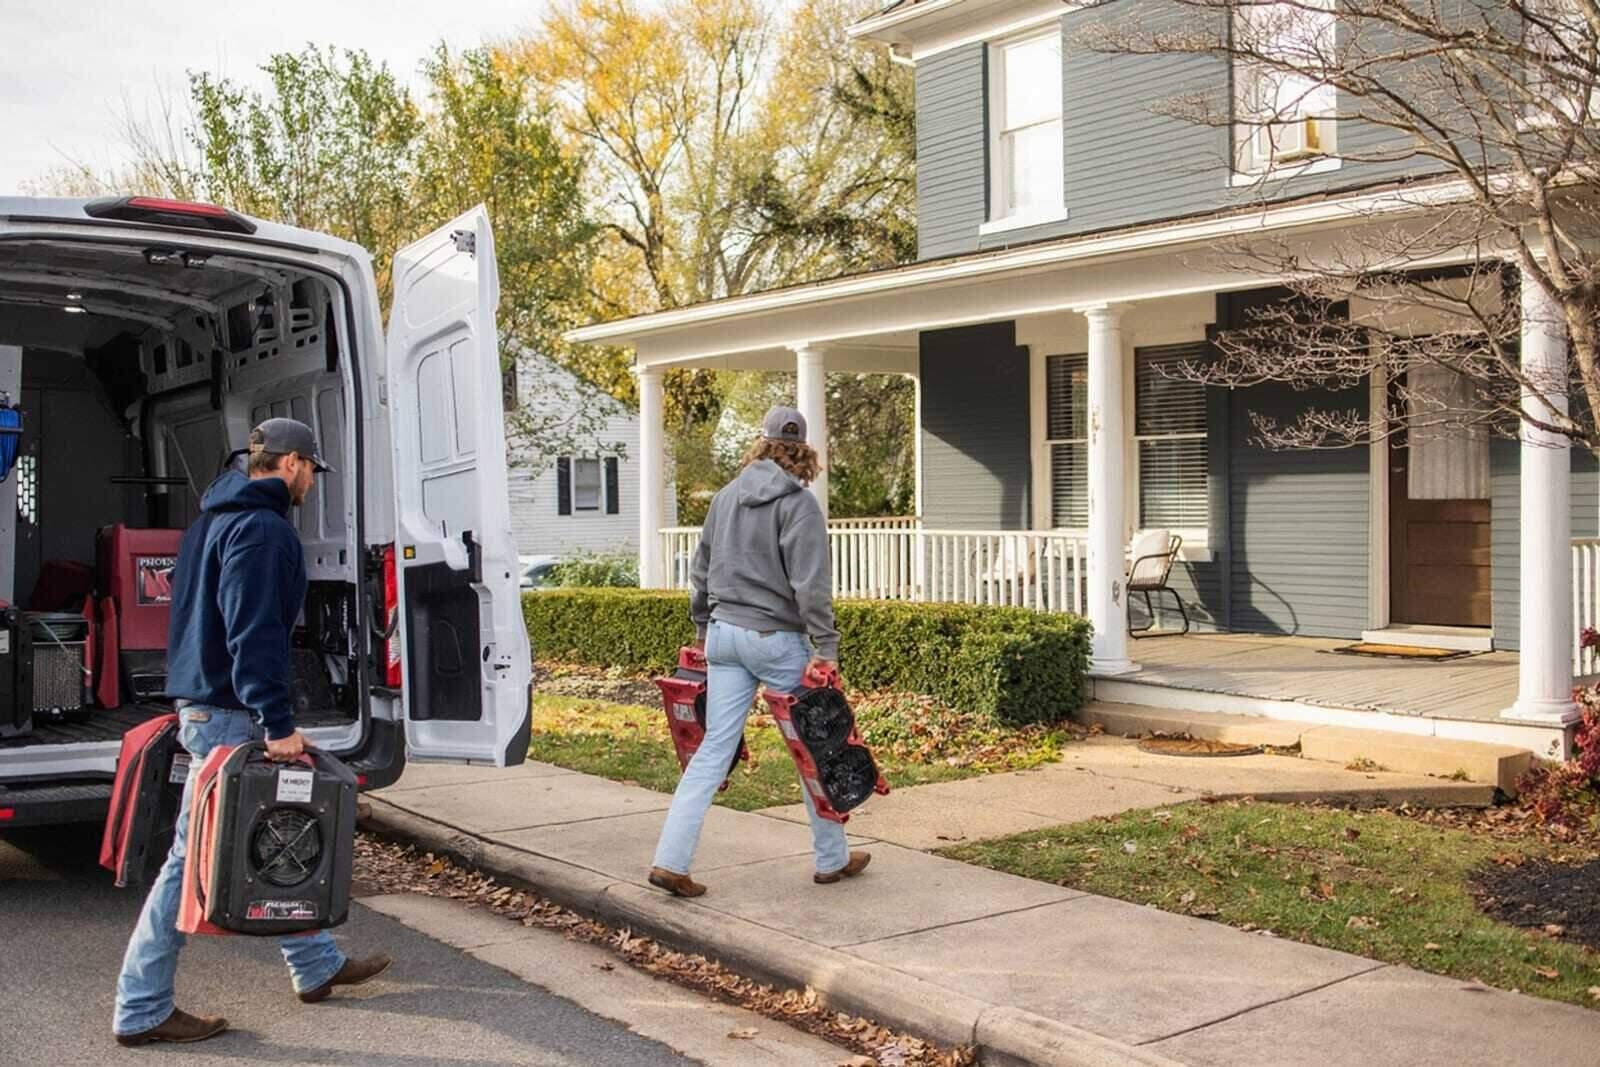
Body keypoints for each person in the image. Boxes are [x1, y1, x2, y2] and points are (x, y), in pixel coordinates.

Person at [113, 418, 390, 1047]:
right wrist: (277, 722)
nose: (312, 482)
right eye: (312, 469)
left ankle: (315, 965)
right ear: (291, 464)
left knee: (271, 832)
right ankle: (141, 1008)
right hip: (230, 712)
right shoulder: (263, 530)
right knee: (190, 861)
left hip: (208, 704)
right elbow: (254, 631)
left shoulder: (212, 520)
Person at [648, 406, 871, 898]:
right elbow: (811, 585)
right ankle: (831, 860)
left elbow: (700, 572)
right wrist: (826, 646)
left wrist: (703, 630)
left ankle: (670, 860)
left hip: (724, 634)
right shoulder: (799, 504)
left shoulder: (725, 498)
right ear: (803, 452)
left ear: (761, 444)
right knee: (815, 746)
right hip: (774, 639)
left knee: (713, 748)